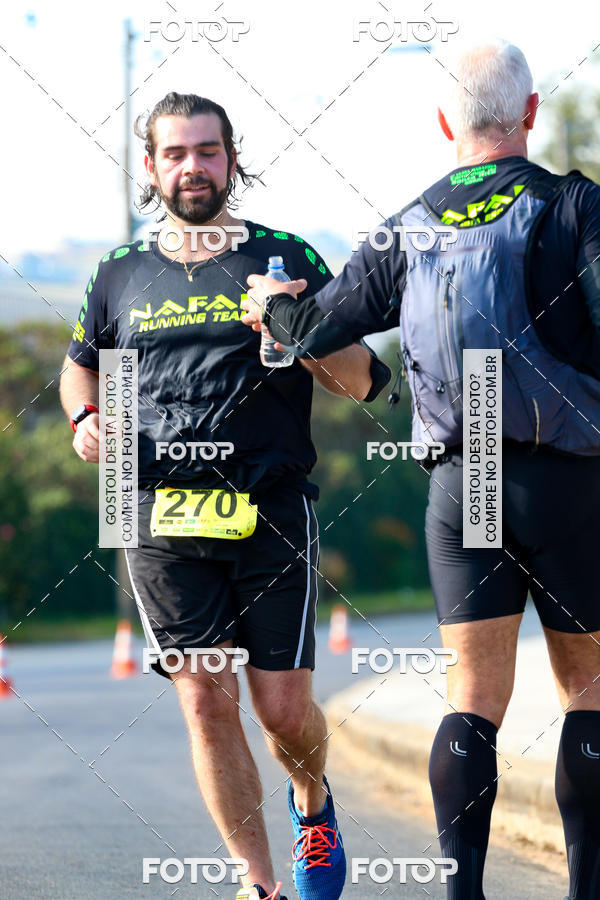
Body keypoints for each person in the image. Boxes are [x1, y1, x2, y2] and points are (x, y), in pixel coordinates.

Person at [241, 40, 600, 900]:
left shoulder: (406, 222)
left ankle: (462, 893)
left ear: (446, 123)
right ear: (530, 113)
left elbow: (309, 334)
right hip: (569, 480)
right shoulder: (573, 202)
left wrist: (269, 303)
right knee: (587, 689)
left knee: (471, 695)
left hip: (462, 479)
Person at [59, 92, 391, 900]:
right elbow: (82, 363)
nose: (193, 168)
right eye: (175, 153)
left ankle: (312, 803)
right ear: (150, 166)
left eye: (208, 152)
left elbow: (363, 383)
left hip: (271, 510)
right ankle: (258, 883)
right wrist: (85, 414)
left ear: (232, 159)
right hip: (158, 516)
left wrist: (294, 324)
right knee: (207, 703)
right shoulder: (118, 274)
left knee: (281, 713)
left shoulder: (283, 258)